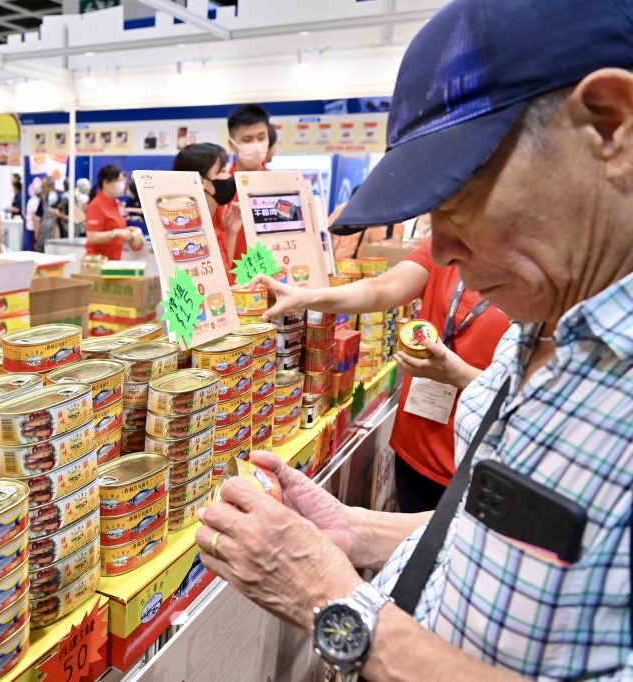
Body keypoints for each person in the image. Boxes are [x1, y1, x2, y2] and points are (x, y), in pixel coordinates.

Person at [197, 0, 633, 679]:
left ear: (610, 126)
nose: (441, 248)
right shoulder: (543, 328)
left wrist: (328, 601)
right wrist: (352, 529)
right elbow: (504, 548)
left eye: (459, 197)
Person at [249, 236, 510, 511]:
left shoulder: (540, 279)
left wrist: (461, 375)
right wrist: (306, 297)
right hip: (416, 444)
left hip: (478, 462)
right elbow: (383, 287)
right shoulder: (451, 241)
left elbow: (534, 392)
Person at [215, 104, 270, 279]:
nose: (256, 146)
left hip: (276, 284)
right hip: (236, 287)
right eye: (247, 140)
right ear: (232, 144)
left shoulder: (279, 184)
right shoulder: (220, 187)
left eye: (261, 137)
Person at [173, 143, 238, 280]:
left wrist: (231, 232)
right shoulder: (184, 230)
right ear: (201, 181)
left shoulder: (219, 215)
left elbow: (226, 273)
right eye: (221, 171)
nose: (228, 176)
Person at [85, 164, 142, 261]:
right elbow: (92, 237)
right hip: (97, 261)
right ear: (106, 183)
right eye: (119, 181)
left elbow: (112, 227)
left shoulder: (115, 203)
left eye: (123, 181)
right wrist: (116, 232)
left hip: (113, 260)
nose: (122, 184)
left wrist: (125, 230)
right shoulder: (96, 205)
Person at [35, 175, 59, 252]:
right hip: (42, 235)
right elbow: (38, 216)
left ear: (50, 186)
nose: (41, 190)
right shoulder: (43, 199)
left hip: (52, 236)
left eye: (43, 187)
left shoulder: (59, 199)